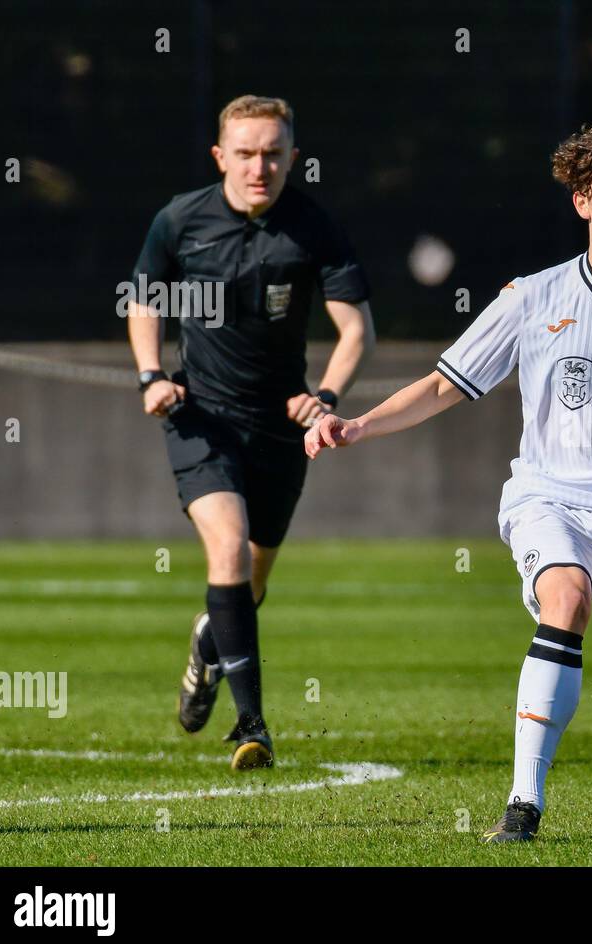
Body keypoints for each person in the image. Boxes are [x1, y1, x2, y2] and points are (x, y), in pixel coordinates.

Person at [305, 119, 592, 841]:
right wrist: (357, 425)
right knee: (564, 596)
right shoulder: (532, 297)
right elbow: (445, 385)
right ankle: (523, 805)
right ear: (582, 201)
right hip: (552, 499)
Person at [127, 95, 375, 767]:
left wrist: (324, 397)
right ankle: (252, 727)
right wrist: (152, 376)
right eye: (245, 153)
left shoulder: (313, 227)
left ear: (293, 156)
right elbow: (144, 303)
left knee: (252, 581)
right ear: (221, 156)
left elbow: (357, 330)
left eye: (273, 153)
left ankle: (209, 644)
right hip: (200, 419)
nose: (260, 166)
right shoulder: (181, 219)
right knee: (230, 551)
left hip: (280, 430)